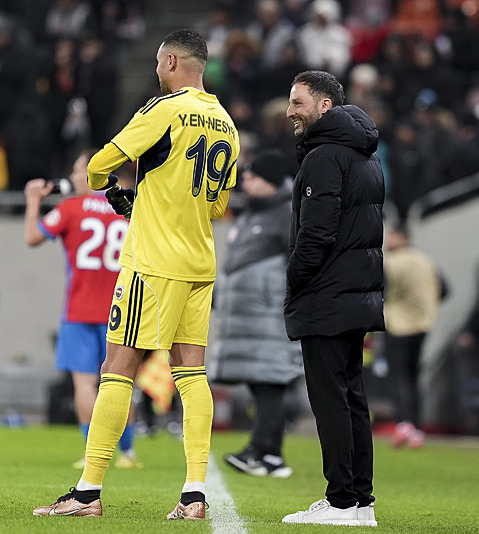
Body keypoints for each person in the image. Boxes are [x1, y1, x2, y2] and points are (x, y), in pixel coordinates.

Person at [32, 29, 239, 520]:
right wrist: (150, 200)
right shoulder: (227, 123)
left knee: (116, 370)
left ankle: (87, 493)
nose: (157, 70)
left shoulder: (163, 109)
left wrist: (109, 188)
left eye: (159, 62)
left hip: (152, 263)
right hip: (199, 264)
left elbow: (99, 165)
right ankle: (194, 495)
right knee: (191, 374)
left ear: (172, 62)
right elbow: (218, 206)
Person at [281, 71, 384, 526]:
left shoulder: (324, 156)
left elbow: (316, 234)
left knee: (330, 399)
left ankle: (341, 500)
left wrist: (293, 280)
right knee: (352, 396)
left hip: (327, 293)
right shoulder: (365, 153)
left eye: (298, 102)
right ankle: (361, 502)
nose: (290, 112)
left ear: (325, 106)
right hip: (356, 294)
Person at [23, 149, 140, 468]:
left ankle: (93, 453)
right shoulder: (130, 207)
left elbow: (32, 237)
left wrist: (33, 201)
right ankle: (127, 453)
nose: (73, 177)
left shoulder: (71, 208)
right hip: (122, 308)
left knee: (85, 384)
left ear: (92, 174)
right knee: (121, 382)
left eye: (78, 170)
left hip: (79, 310)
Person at [208, 149, 302, 478]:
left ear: (272, 181)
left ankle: (259, 450)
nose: (244, 181)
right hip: (249, 320)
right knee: (262, 384)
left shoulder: (287, 213)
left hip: (270, 318)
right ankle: (271, 456)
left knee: (269, 384)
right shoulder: (251, 213)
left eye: (253, 177)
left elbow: (301, 264)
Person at [383, 224, 441, 449]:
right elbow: (445, 289)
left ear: (401, 237)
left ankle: (404, 423)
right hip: (422, 324)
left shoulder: (391, 261)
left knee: (399, 377)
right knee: (414, 376)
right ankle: (416, 428)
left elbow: (380, 288)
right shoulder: (426, 261)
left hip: (398, 324)